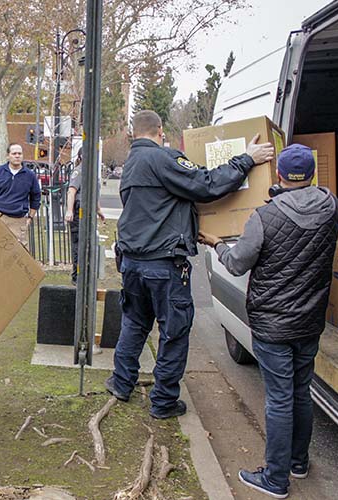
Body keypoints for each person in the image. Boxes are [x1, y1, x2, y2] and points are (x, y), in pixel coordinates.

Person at [105, 110, 274, 420]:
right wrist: (247, 160)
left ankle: (121, 382)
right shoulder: (163, 159)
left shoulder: (130, 165)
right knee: (174, 332)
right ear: (158, 131)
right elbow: (206, 184)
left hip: (132, 262)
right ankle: (163, 401)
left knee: (135, 323)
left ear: (133, 133)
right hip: (163, 264)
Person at [199, 144, 338, 499]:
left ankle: (275, 479)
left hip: (273, 323)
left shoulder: (265, 217)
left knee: (279, 400)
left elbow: (236, 264)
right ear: (311, 175)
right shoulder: (331, 207)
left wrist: (217, 243)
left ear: (278, 175)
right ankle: (298, 461)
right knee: (300, 392)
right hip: (310, 320)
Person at [0, 143, 41, 247]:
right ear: (8, 156)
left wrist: (30, 218)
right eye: (14, 153)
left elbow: (36, 198)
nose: (17, 156)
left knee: (17, 256)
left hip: (18, 221)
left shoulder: (30, 175)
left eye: (20, 153)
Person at [64, 152, 105, 285]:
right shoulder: (79, 171)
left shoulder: (92, 173)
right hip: (79, 211)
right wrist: (69, 211)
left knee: (88, 244)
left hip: (89, 211)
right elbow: (71, 191)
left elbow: (94, 194)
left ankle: (86, 274)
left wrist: (99, 210)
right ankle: (77, 276)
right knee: (78, 244)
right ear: (81, 157)